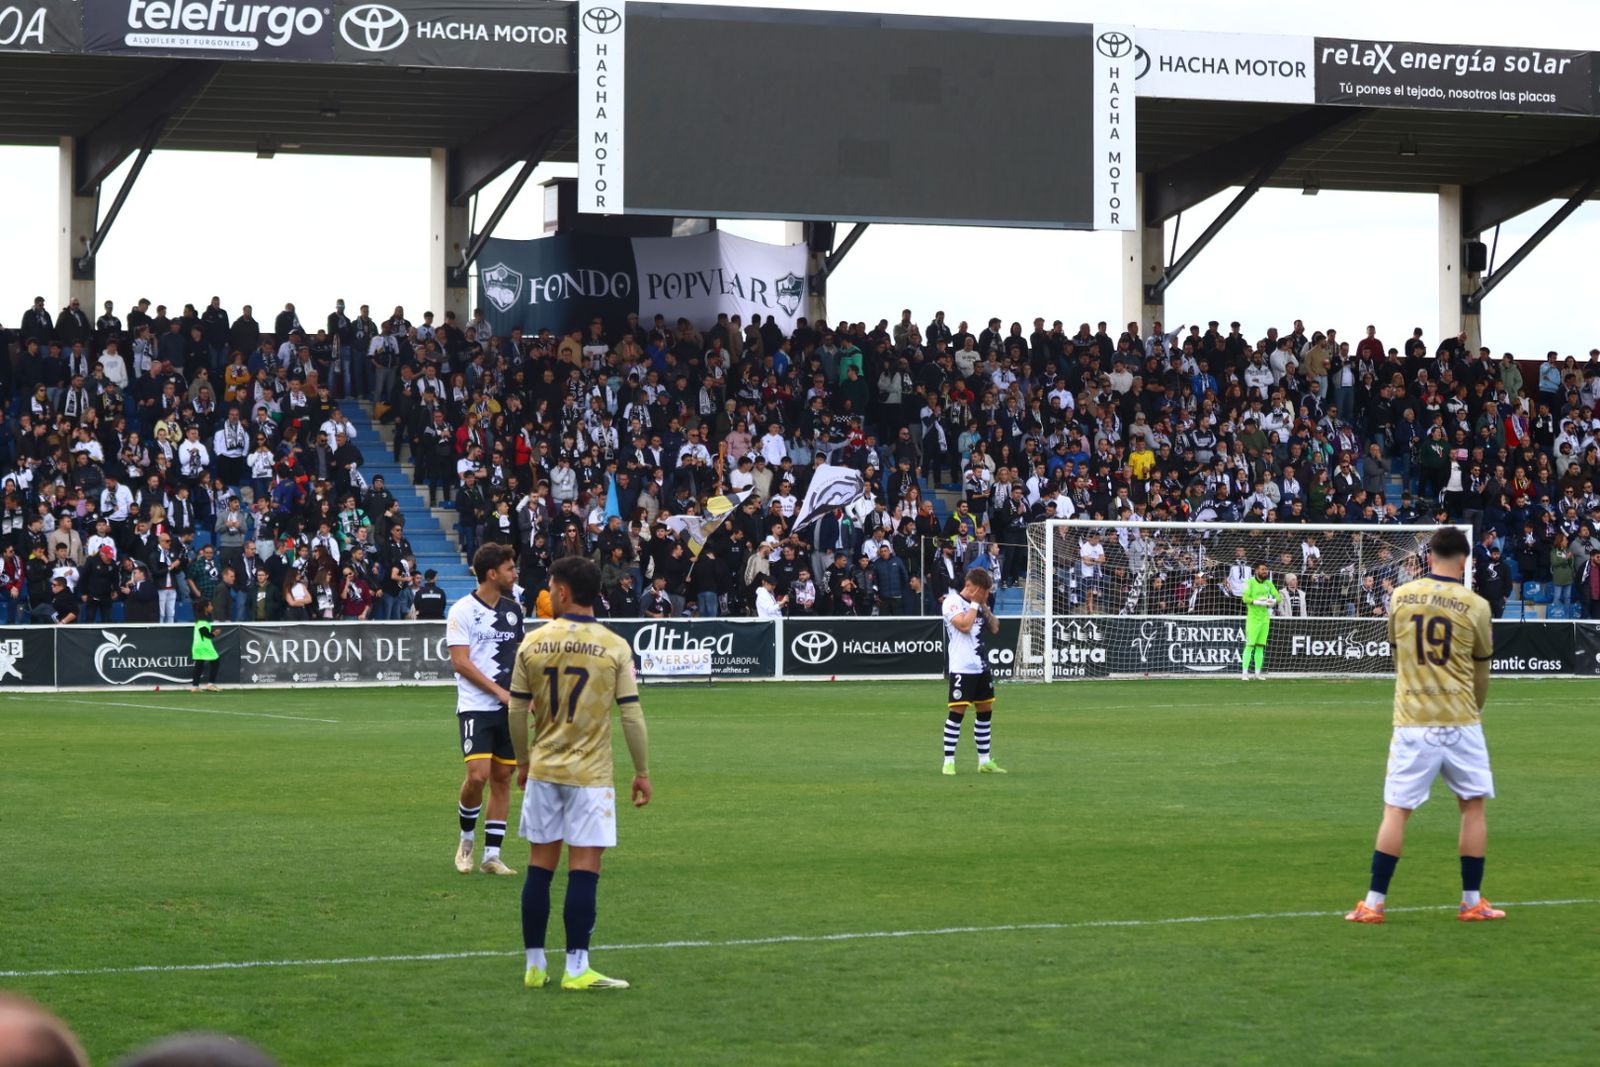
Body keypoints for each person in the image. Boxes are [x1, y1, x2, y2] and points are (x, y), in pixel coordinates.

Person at [1346, 526, 1503, 924]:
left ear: (1428, 556)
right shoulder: (1477, 606)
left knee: (1396, 810)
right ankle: (1471, 901)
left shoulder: (1401, 597)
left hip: (1413, 718)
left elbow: (1398, 655)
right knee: (1472, 808)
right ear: (1465, 560)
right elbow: (1481, 675)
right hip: (1461, 717)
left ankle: (1373, 903)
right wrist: (1475, 710)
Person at [509, 556, 651, 991]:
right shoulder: (614, 646)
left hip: (545, 768)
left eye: (551, 585)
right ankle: (576, 968)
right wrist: (641, 771)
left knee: (539, 867)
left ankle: (534, 966)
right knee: (585, 867)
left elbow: (516, 709)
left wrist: (523, 761)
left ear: (564, 591)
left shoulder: (532, 642)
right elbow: (632, 716)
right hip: (590, 775)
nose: (548, 592)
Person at [445, 543, 525, 876]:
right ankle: (466, 841)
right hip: (476, 707)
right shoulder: (462, 610)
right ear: (492, 573)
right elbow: (460, 663)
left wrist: (525, 695)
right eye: (509, 568)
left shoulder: (514, 609)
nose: (514, 574)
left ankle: (492, 856)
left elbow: (520, 656)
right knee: (477, 776)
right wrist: (499, 693)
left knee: (503, 777)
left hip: (510, 708)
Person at [939, 567, 1003, 775]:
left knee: (985, 712)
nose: (987, 595)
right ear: (970, 587)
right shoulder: (952, 602)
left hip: (981, 667)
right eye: (984, 591)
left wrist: (986, 608)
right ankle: (949, 761)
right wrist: (975, 603)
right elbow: (965, 626)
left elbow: (995, 629)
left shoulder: (981, 604)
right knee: (957, 714)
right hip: (961, 667)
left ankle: (984, 761)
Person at [1241, 562, 1280, 680]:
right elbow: (1245, 598)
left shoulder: (1268, 583)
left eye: (1266, 569)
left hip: (1265, 619)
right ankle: (1244, 673)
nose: (1265, 571)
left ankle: (1257, 673)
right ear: (1256, 571)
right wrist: (1258, 602)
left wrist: (1272, 600)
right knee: (1250, 645)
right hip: (1253, 619)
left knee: (1260, 646)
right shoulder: (1250, 582)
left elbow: (1279, 597)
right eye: (1262, 569)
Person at [189, 598, 221, 692]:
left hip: (197, 645)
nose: (212, 607)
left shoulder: (199, 619)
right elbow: (205, 633)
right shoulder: (203, 620)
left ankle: (195, 686)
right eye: (210, 605)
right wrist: (215, 633)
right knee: (216, 661)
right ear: (205, 608)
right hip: (204, 646)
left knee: (199, 665)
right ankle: (210, 684)